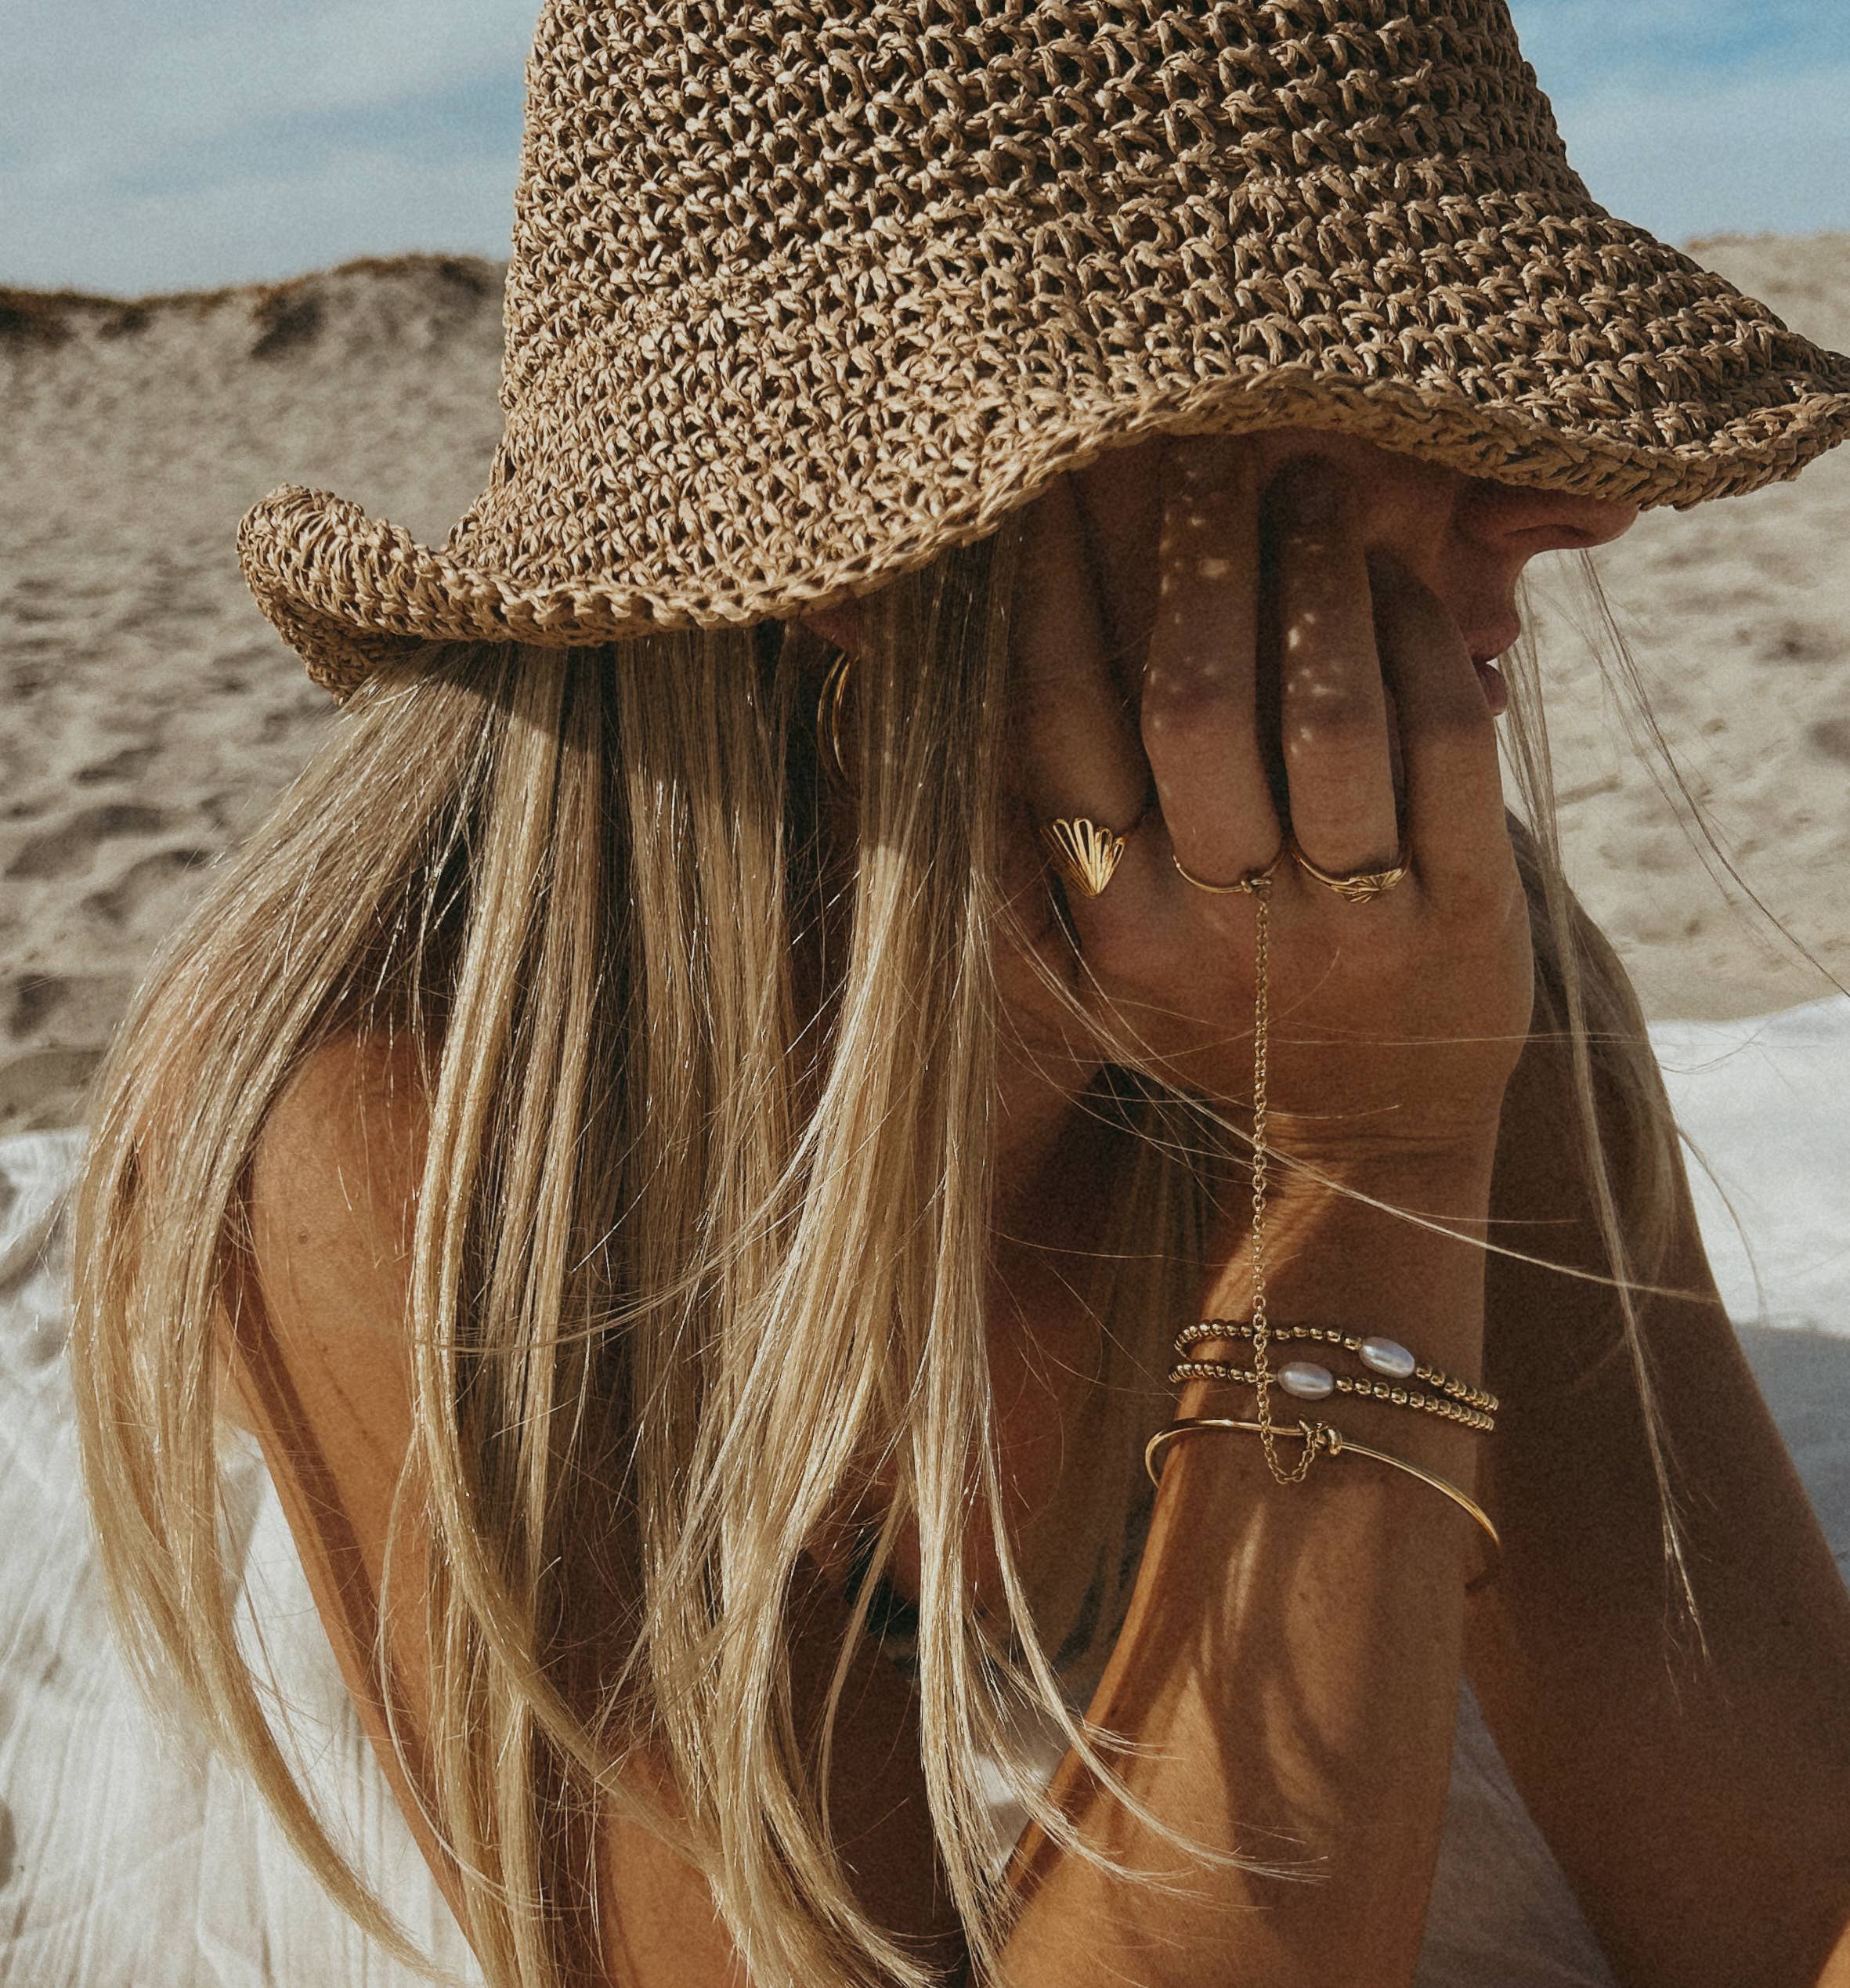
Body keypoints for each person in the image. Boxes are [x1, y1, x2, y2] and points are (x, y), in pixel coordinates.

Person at [67, 2, 1850, 1984]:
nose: (1576, 507)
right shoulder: (405, 1112)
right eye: (1372, 402)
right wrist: (1368, 1167)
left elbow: (1773, 1892)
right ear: (869, 528)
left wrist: (1399, 1117)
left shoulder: (1389, 956)